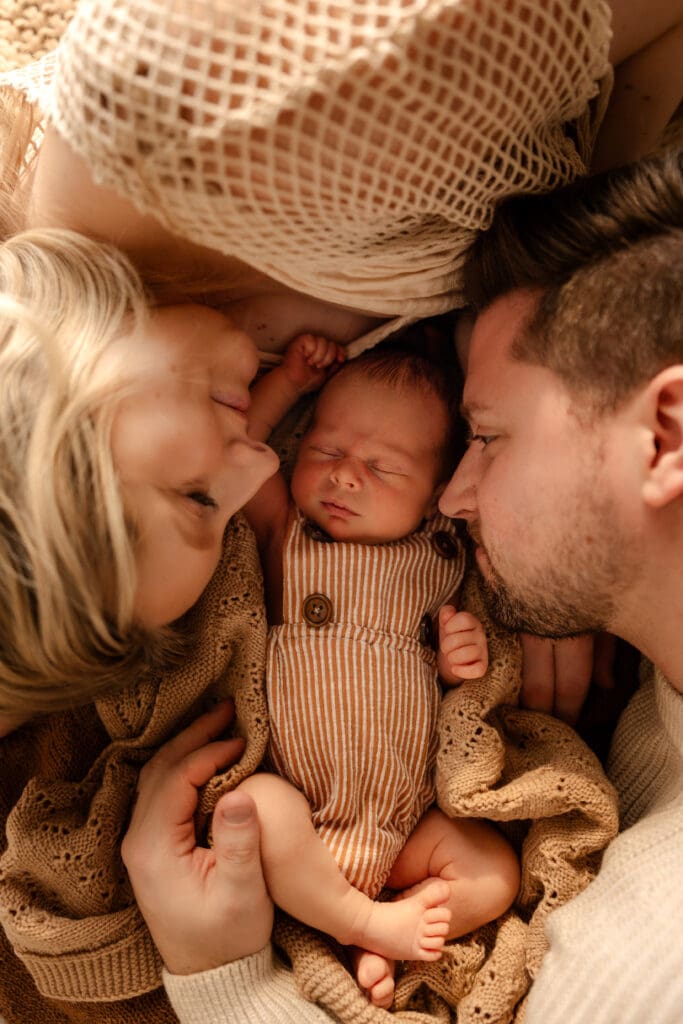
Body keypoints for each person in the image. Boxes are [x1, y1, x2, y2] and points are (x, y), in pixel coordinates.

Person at [122, 149, 683, 1023]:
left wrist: (223, 978)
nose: (453, 503)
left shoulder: (648, 980)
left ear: (664, 435)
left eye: (485, 440)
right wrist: (578, 559)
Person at [230, 335, 519, 1006]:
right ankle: (364, 922)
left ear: (437, 498)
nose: (344, 475)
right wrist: (290, 385)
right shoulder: (287, 535)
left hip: (403, 825)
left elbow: (453, 691)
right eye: (325, 451)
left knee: (493, 871)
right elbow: (239, 448)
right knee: (256, 809)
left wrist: (460, 663)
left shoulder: (442, 560)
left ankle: (380, 925)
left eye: (382, 468)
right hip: (301, 812)